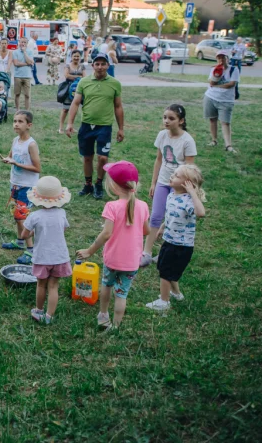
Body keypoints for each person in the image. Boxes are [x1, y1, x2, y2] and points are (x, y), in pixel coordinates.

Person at [76, 161, 149, 331]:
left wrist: (89, 251)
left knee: (107, 286)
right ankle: (115, 327)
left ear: (114, 187)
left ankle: (103, 315)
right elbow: (145, 231)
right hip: (132, 262)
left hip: (112, 259)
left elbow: (106, 233)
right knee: (121, 295)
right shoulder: (143, 206)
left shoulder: (111, 206)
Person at [144, 165, 206, 312]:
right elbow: (172, 214)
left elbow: (201, 213)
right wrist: (163, 226)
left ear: (188, 183)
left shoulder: (189, 200)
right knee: (166, 268)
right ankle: (176, 294)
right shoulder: (172, 196)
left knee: (165, 272)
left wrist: (193, 193)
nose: (172, 176)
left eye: (177, 176)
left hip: (181, 245)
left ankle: (163, 302)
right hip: (169, 240)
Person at [64, 53, 124, 199]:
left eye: (103, 64)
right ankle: (88, 184)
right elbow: (76, 102)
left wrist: (121, 128)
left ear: (108, 66)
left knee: (103, 158)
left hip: (104, 126)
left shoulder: (114, 83)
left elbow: (118, 106)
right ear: (93, 66)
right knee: (87, 157)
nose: (100, 67)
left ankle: (98, 183)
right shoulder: (84, 82)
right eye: (97, 64)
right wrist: (70, 123)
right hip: (86, 126)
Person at [144, 104, 196, 261]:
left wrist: (185, 189)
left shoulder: (187, 141)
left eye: (171, 118)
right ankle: (146, 252)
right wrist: (154, 182)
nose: (166, 121)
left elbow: (189, 169)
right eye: (165, 117)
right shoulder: (162, 135)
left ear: (181, 121)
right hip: (162, 181)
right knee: (155, 216)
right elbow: (159, 160)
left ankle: (164, 253)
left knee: (173, 219)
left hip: (179, 186)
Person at [23, 176, 72, 325]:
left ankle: (38, 310)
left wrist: (33, 232)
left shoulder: (34, 216)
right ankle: (49, 316)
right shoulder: (62, 214)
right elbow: (62, 229)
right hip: (59, 257)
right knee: (53, 286)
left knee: (41, 285)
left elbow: (24, 235)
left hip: (42, 257)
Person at [0, 110, 41, 265]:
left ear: (29, 125)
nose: (16, 124)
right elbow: (11, 156)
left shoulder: (31, 144)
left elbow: (37, 168)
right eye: (14, 121)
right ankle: (20, 241)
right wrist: (7, 159)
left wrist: (16, 163)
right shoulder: (15, 140)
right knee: (17, 215)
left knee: (22, 218)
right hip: (15, 184)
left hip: (27, 187)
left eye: (20, 121)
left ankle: (31, 251)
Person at [204, 50, 240, 152]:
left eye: (223, 57)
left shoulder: (234, 69)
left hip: (226, 100)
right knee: (212, 119)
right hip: (211, 97)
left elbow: (231, 84)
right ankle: (214, 140)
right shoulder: (214, 69)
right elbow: (211, 83)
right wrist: (218, 72)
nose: (221, 59)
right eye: (219, 58)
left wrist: (218, 85)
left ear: (227, 59)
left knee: (225, 122)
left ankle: (228, 145)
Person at [58, 51, 86, 134]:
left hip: (79, 90)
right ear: (71, 57)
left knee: (75, 108)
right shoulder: (68, 65)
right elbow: (66, 75)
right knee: (65, 109)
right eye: (74, 56)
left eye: (78, 56)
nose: (76, 58)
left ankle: (71, 126)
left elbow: (85, 77)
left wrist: (73, 77)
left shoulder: (82, 66)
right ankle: (61, 128)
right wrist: (78, 77)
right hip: (68, 90)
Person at [11, 37, 34, 110]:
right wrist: (27, 64)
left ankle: (27, 110)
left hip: (27, 76)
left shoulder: (30, 51)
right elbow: (16, 63)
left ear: (27, 44)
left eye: (24, 42)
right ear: (19, 42)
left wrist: (24, 52)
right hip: (18, 76)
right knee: (17, 94)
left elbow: (30, 61)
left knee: (27, 95)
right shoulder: (15, 52)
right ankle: (18, 109)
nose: (23, 44)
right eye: (21, 42)